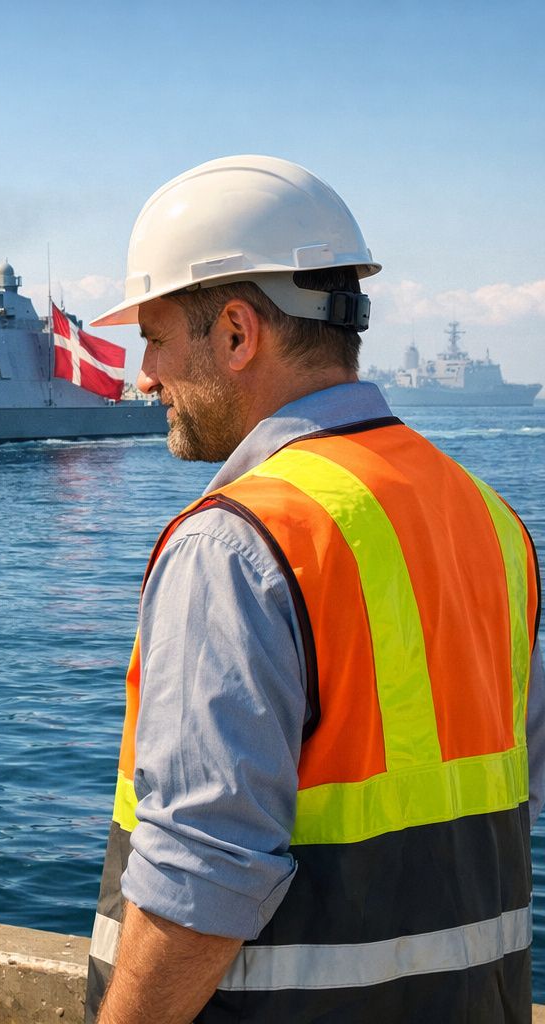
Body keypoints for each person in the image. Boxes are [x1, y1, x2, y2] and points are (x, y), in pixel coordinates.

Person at [82, 155, 544, 1022]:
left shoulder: (235, 544)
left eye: (153, 338)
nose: (144, 376)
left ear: (234, 332)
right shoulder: (488, 521)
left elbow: (200, 883)